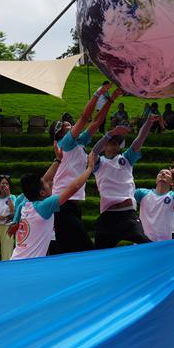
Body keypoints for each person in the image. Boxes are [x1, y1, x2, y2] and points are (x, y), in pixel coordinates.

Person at [49, 83, 121, 254]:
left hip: (72, 204)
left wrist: (111, 99)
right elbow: (85, 117)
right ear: (60, 132)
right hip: (63, 203)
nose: (70, 124)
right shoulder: (65, 142)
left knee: (67, 250)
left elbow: (97, 121)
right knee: (86, 248)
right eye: (66, 124)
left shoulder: (79, 142)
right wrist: (97, 94)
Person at [10, 150, 97, 260]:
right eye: (46, 184)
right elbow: (73, 188)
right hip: (28, 264)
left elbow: (45, 178)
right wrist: (89, 168)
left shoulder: (26, 203)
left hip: (16, 259)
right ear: (42, 193)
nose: (50, 183)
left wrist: (58, 160)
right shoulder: (44, 206)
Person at [92, 114, 159, 249]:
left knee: (144, 243)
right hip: (108, 216)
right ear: (104, 147)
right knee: (99, 251)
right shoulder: (99, 163)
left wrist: (148, 122)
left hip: (127, 214)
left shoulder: (126, 159)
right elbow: (93, 152)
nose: (114, 146)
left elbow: (139, 139)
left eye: (116, 144)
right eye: (111, 143)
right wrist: (110, 134)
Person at [134, 161, 174, 242]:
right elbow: (125, 193)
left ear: (172, 182)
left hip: (164, 244)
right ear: (156, 180)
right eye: (161, 173)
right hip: (142, 243)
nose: (163, 174)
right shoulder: (142, 193)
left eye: (167, 173)